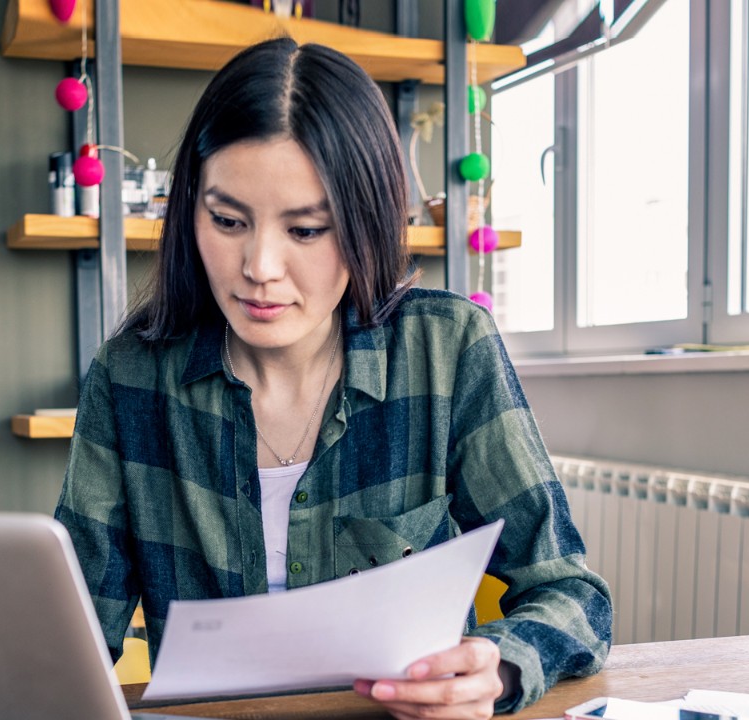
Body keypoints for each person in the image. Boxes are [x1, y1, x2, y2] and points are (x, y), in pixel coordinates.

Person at [56, 37, 611, 718]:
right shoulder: (130, 378)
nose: (259, 266)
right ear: (189, 211)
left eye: (308, 230)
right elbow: (73, 638)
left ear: (367, 224)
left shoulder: (447, 350)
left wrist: (493, 670)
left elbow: (571, 593)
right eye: (227, 220)